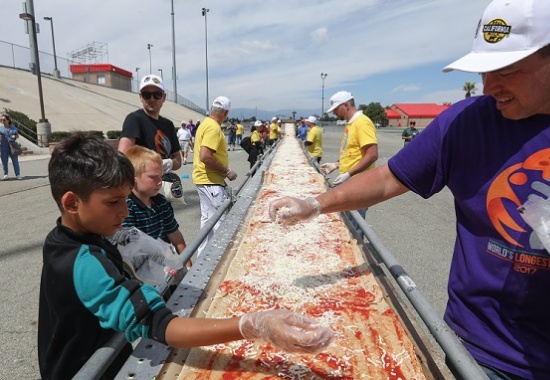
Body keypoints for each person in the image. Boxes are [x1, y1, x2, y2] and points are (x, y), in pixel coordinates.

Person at [269, 0, 550, 379]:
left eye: (507, 70)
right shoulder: (467, 121)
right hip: (478, 353)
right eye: (485, 71)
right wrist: (315, 203)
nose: (490, 88)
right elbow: (390, 177)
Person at [39, 133, 334, 380]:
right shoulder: (86, 264)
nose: (125, 211)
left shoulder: (63, 239)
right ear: (72, 203)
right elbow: (162, 326)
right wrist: (253, 324)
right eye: (114, 202)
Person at [320, 91, 378, 236]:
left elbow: (372, 155)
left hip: (360, 184)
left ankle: (357, 255)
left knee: (354, 226)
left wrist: (349, 174)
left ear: (346, 105)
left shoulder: (362, 123)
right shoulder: (350, 124)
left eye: (336, 109)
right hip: (351, 182)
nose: (334, 113)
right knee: (347, 224)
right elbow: (353, 153)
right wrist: (336, 164)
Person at [192, 96, 238, 255]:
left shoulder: (205, 123)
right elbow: (205, 156)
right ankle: (218, 260)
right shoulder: (213, 128)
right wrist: (227, 171)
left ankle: (203, 257)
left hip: (204, 180)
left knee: (207, 222)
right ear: (226, 112)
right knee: (220, 222)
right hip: (211, 181)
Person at [122, 145, 186, 255]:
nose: (160, 182)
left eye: (161, 176)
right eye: (153, 177)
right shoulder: (126, 207)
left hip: (163, 260)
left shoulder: (160, 201)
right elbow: (129, 250)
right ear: (133, 178)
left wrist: (187, 264)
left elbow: (174, 234)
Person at [118, 75, 182, 174]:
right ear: (140, 97)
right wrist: (150, 166)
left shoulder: (168, 124)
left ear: (163, 97)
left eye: (157, 94)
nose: (152, 99)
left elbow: (178, 159)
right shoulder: (134, 119)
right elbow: (123, 157)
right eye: (146, 95)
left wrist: (170, 163)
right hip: (142, 185)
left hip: (164, 182)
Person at [0, 114, 21, 180]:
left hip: (12, 145)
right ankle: (5, 174)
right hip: (4, 145)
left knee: (15, 160)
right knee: (4, 161)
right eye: (1, 120)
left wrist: (14, 136)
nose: (2, 121)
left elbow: (17, 135)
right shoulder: (0, 128)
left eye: (4, 120)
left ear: (8, 120)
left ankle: (18, 174)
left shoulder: (13, 127)